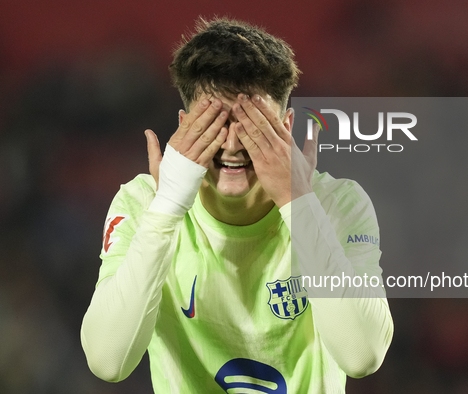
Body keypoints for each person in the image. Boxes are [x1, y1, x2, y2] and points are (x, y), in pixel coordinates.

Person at [81, 17, 393, 393]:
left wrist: (298, 201)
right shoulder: (142, 204)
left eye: (252, 124)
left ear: (287, 127)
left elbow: (363, 356)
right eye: (215, 123)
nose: (231, 145)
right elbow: (107, 361)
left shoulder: (336, 204)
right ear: (183, 127)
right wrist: (166, 209)